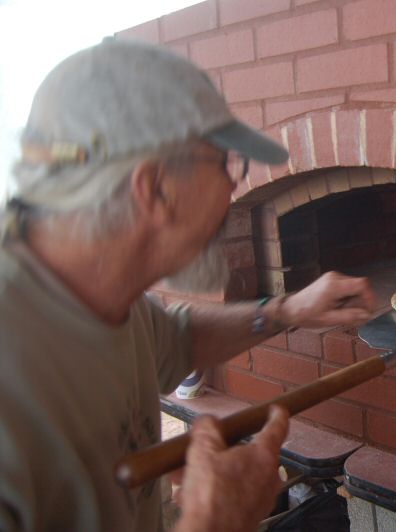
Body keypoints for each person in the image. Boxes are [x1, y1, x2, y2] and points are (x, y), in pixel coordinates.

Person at [0, 38, 375, 532]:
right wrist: (213, 520)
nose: (232, 187)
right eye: (224, 165)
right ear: (155, 187)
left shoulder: (107, 297)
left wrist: (288, 311)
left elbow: (178, 338)